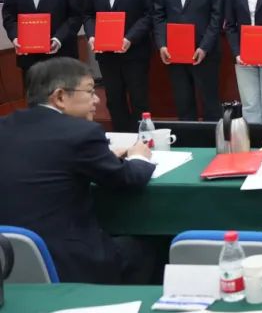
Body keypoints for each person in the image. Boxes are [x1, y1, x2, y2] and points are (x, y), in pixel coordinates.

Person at [0, 57, 155, 284]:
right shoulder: (81, 133)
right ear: (60, 97)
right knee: (146, 249)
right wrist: (139, 156)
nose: (96, 99)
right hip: (66, 260)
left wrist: (104, 158)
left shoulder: (5, 125)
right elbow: (128, 179)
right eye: (90, 91)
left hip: (6, 258)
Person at [83, 0, 156, 133]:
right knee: (114, 100)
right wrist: (92, 35)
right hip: (106, 52)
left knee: (139, 99)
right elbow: (88, 14)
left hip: (135, 50)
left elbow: (150, 14)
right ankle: (121, 139)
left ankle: (143, 139)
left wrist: (129, 38)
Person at [152, 0, 226, 121]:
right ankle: (188, 136)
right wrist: (162, 44)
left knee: (210, 101)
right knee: (182, 101)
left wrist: (204, 47)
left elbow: (217, 17)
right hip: (174, 52)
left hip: (204, 52)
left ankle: (213, 137)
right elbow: (158, 14)